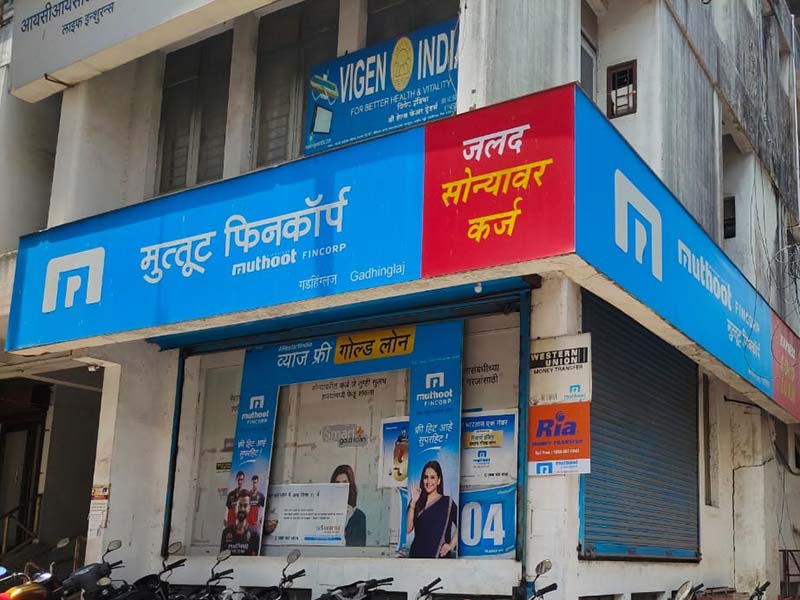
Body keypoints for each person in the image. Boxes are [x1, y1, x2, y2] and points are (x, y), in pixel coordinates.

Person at [406, 460, 458, 558]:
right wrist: (413, 503)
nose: (428, 481)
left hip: (439, 559)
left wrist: (451, 545)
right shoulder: (416, 501)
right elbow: (408, 529)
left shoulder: (447, 502)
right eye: (426, 477)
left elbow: (462, 523)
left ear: (439, 481)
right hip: (416, 557)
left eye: (432, 477)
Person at [331, 464, 366, 546]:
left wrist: (348, 518)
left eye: (345, 483)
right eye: (337, 483)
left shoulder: (359, 516)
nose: (341, 487)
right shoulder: (325, 512)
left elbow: (358, 548)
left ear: (351, 485)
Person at [220, 489, 260, 556]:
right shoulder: (225, 532)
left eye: (245, 506)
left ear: (249, 508)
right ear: (235, 507)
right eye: (240, 505)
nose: (242, 509)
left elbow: (253, 560)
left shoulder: (254, 534)